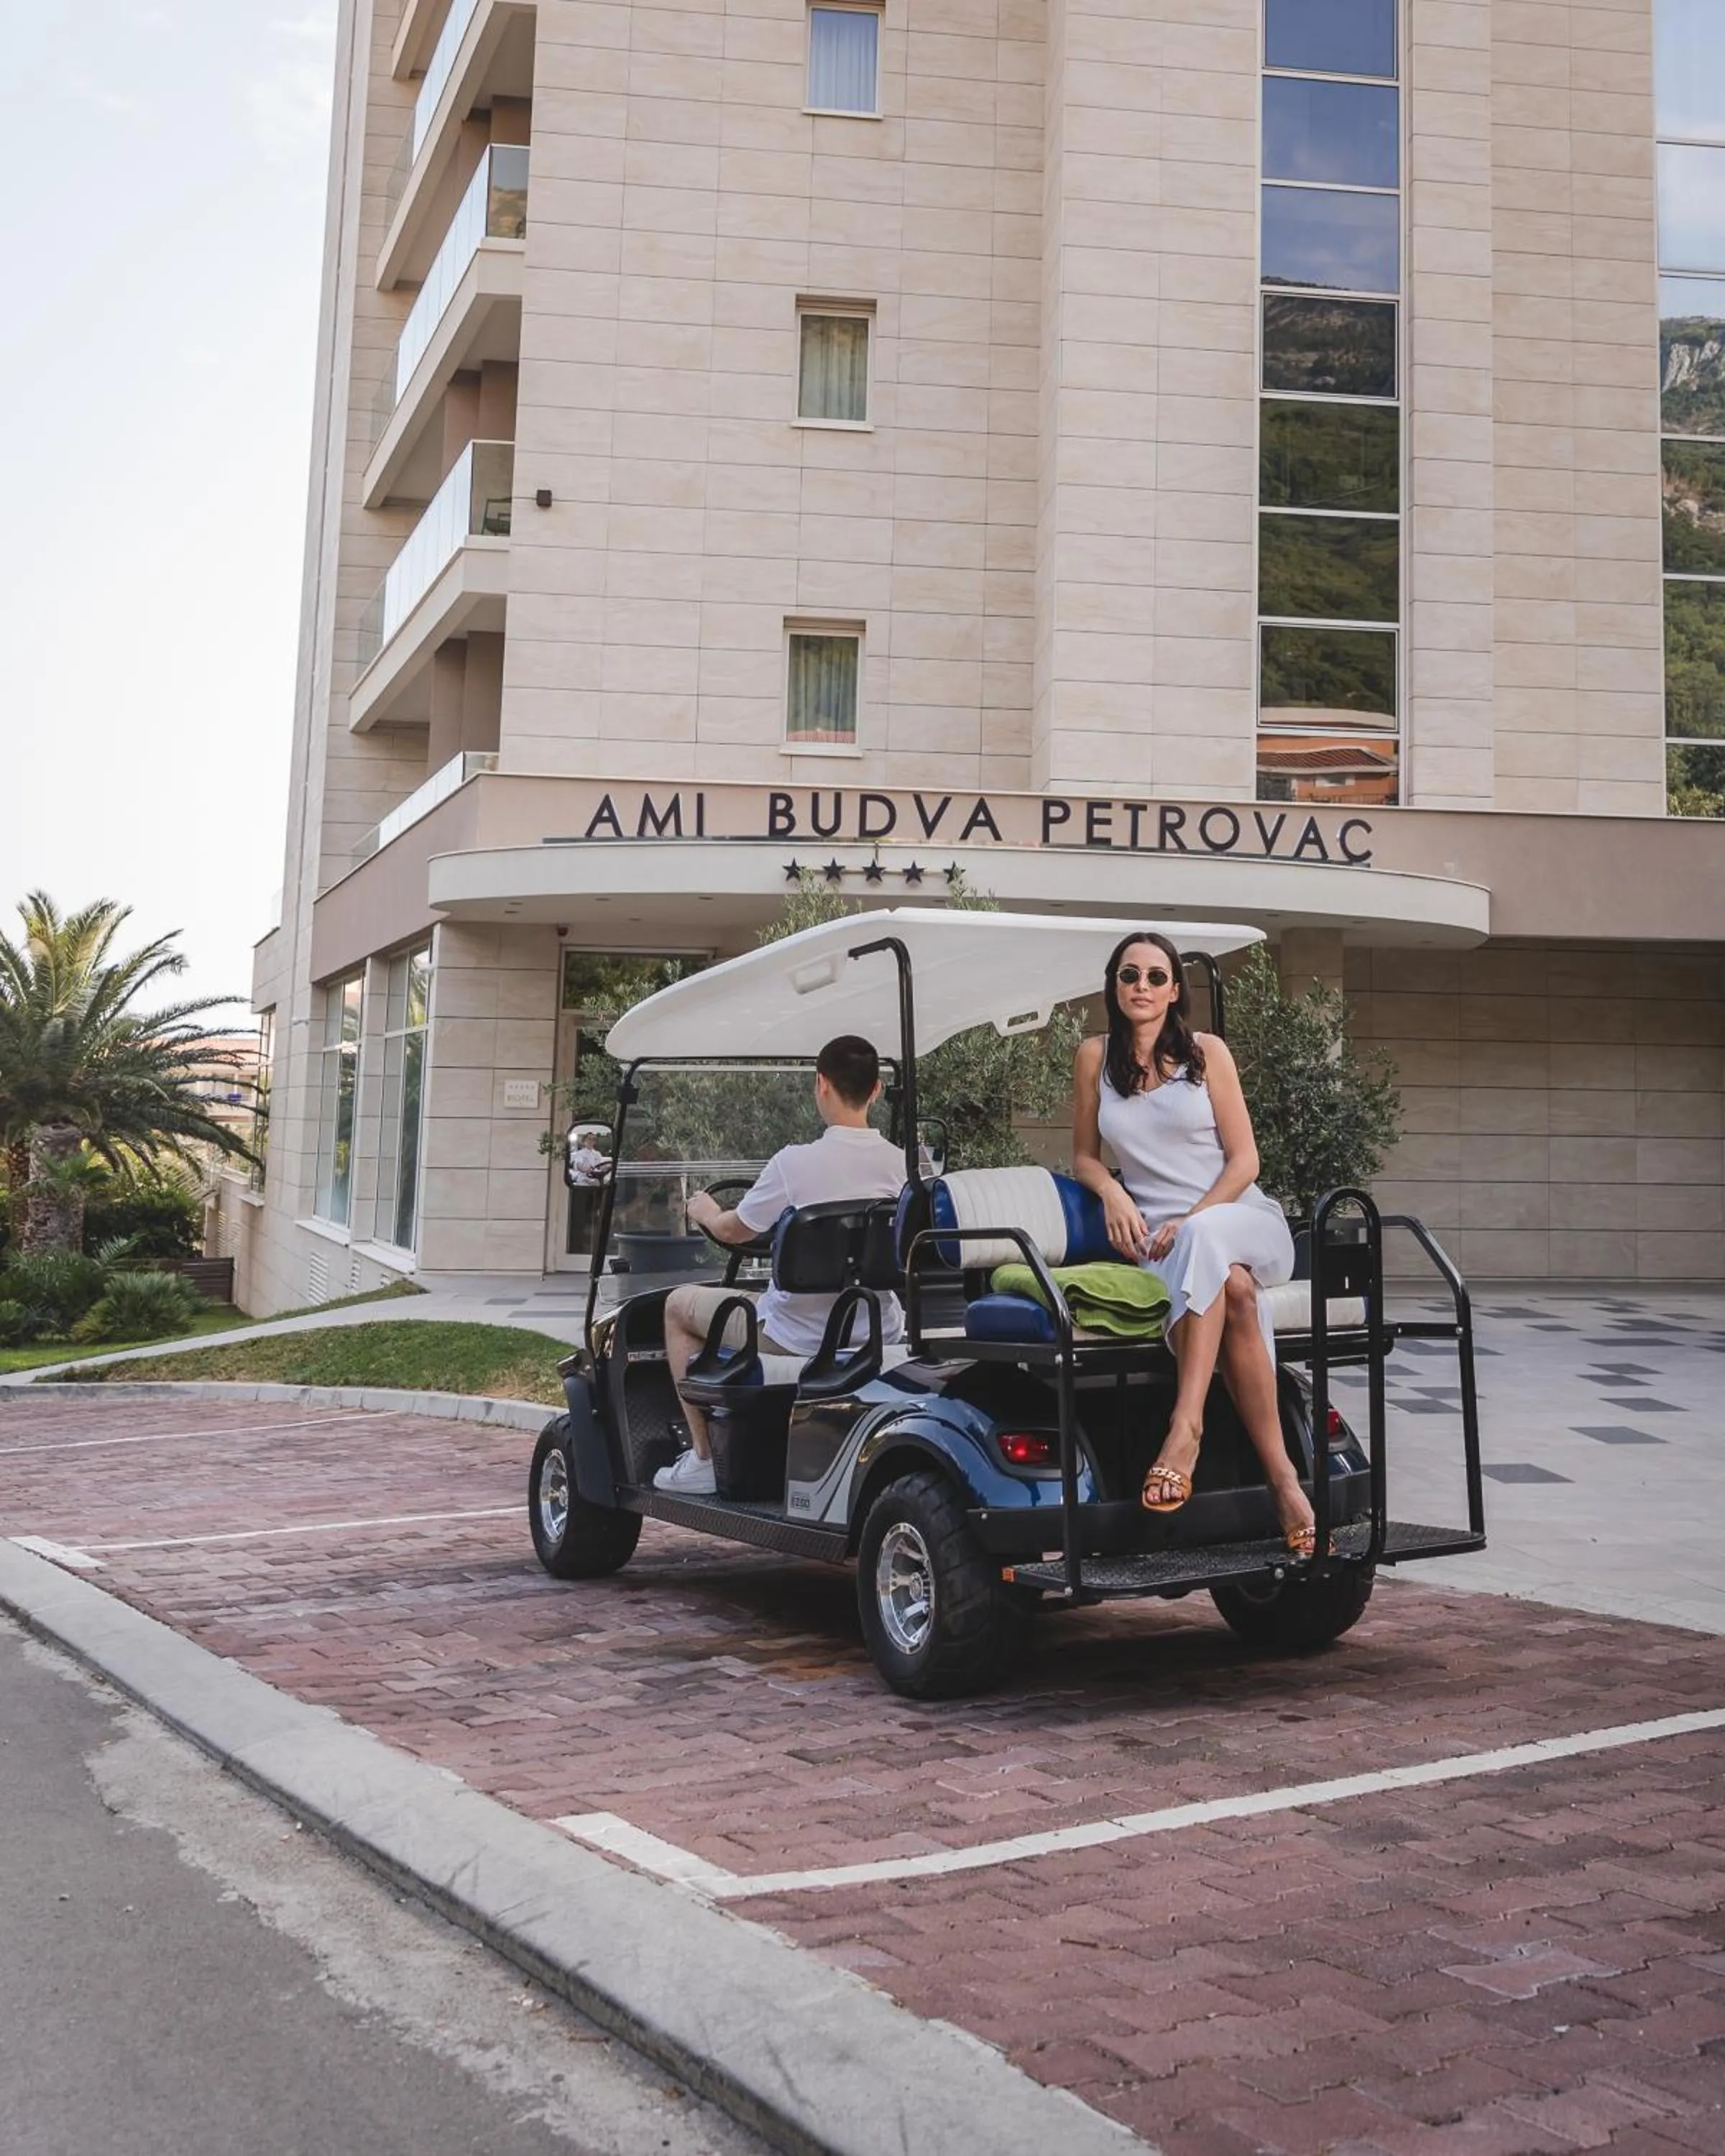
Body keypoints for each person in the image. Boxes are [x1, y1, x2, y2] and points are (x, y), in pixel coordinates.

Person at [1070, 930, 1320, 1554]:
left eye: (1156, 977)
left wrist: (1195, 1218)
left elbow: (1245, 1162)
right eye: (1130, 976)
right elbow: (1082, 1157)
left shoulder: (1208, 1053)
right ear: (1114, 986)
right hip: (1164, 1243)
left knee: (1218, 1247)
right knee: (1234, 1292)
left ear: (1176, 990)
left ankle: (1186, 1429)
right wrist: (1114, 1194)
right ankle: (1284, 1480)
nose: (1142, 987)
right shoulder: (1094, 1058)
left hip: (1241, 1218)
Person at [654, 1034, 906, 1495]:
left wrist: (704, 1210)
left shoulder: (794, 1163)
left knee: (676, 1306)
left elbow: (736, 1230)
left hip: (791, 1339)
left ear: (821, 1085)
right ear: (876, 1091)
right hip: (878, 1330)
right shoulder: (904, 1166)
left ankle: (704, 1458)